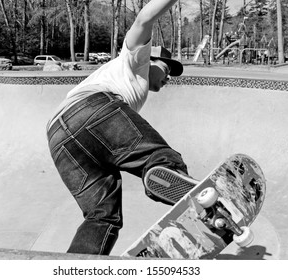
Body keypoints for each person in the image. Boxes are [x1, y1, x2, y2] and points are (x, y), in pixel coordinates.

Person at [47, 0, 193, 255]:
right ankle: (179, 184)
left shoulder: (123, 79)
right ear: (151, 58)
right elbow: (144, 19)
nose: (168, 78)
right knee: (160, 158)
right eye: (166, 68)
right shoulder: (137, 58)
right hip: (93, 109)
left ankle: (78, 267)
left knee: (102, 216)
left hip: (58, 137)